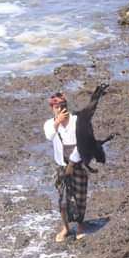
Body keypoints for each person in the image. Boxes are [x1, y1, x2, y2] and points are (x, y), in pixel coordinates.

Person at [44, 93, 88, 242]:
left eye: (62, 106)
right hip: (61, 166)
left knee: (80, 197)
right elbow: (49, 136)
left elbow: (82, 145)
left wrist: (72, 164)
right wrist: (57, 122)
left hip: (78, 163)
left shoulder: (77, 122)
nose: (60, 109)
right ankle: (66, 227)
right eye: (56, 107)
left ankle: (80, 224)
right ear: (52, 109)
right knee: (62, 200)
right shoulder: (50, 124)